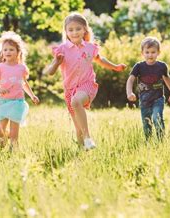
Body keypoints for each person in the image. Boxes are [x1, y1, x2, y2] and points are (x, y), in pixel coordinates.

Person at [44, 12, 126, 150]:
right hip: (69, 89)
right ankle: (82, 151)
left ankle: (88, 137)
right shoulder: (61, 50)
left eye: (78, 29)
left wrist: (115, 67)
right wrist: (57, 63)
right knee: (78, 128)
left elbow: (100, 60)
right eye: (70, 30)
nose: (74, 32)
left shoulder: (90, 47)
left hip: (87, 85)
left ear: (84, 30)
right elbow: (50, 72)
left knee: (76, 101)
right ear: (66, 32)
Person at [0, 31, 39, 150]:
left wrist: (32, 95)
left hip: (17, 102)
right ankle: (5, 137)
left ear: (18, 52)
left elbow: (23, 83)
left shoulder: (21, 68)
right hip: (3, 102)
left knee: (14, 132)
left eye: (11, 49)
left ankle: (13, 151)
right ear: (2, 52)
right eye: (5, 49)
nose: (8, 52)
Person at [126, 36, 170, 140]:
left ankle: (160, 140)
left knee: (157, 117)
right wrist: (129, 92)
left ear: (158, 52)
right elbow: (130, 79)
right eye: (147, 52)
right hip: (144, 100)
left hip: (158, 99)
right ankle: (148, 142)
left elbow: (167, 78)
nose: (150, 55)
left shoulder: (162, 66)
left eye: (153, 52)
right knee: (146, 123)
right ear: (142, 53)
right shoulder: (139, 66)